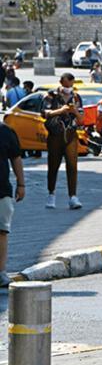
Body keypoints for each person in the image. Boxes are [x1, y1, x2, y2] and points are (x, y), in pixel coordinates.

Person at [43, 73, 83, 210]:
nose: (67, 87)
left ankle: (73, 196)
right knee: (53, 165)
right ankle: (51, 194)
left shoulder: (76, 97)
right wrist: (60, 111)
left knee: (72, 166)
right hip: (55, 134)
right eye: (64, 84)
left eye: (69, 84)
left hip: (71, 134)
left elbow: (81, 119)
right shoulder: (51, 96)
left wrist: (75, 111)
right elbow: (44, 113)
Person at [0, 122, 23, 287]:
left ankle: (1, 272)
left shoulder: (6, 131)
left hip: (2, 191)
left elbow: (16, 157)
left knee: (2, 231)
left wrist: (21, 184)